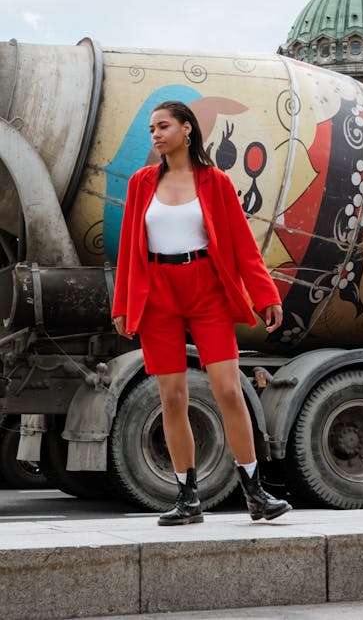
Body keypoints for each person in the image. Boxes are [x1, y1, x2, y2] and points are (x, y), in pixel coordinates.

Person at [112, 100, 291, 526]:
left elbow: (243, 245)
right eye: (152, 128)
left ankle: (255, 493)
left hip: (206, 288)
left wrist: (265, 295)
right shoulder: (140, 184)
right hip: (157, 294)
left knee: (229, 390)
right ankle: (187, 498)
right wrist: (122, 305)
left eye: (163, 126)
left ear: (187, 129)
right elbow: (128, 250)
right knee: (172, 398)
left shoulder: (216, 182)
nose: (155, 134)